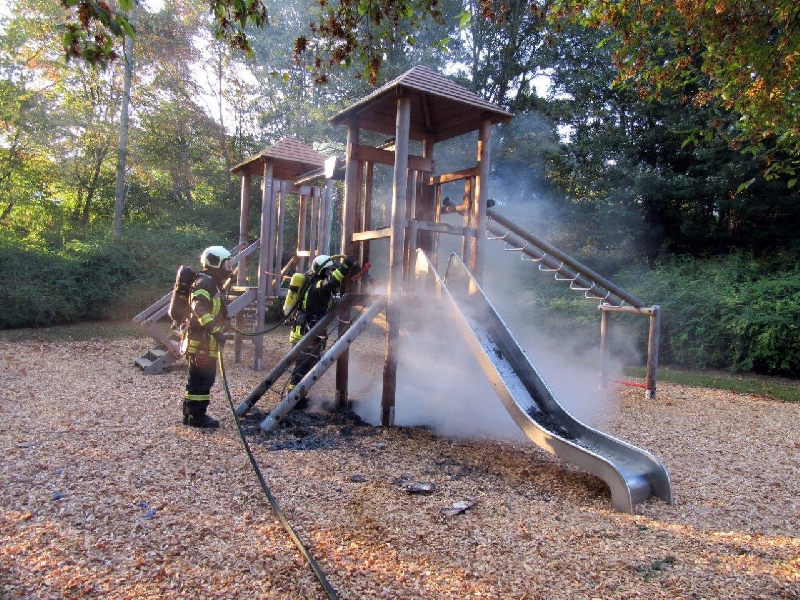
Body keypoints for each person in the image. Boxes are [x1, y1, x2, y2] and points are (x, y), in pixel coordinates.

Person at [286, 254, 358, 406]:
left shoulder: (316, 282)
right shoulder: (315, 284)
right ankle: (293, 399)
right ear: (320, 270)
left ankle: (299, 397)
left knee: (310, 364)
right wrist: (344, 267)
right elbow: (329, 283)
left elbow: (331, 288)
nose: (329, 273)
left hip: (312, 331)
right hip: (305, 332)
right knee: (302, 366)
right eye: (327, 270)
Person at [181, 245, 232, 428]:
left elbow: (214, 308)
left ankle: (190, 415)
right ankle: (196, 417)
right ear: (215, 262)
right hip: (201, 343)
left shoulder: (212, 282)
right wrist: (216, 330)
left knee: (200, 379)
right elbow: (200, 309)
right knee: (201, 380)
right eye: (226, 264)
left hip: (205, 343)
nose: (228, 268)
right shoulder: (204, 283)